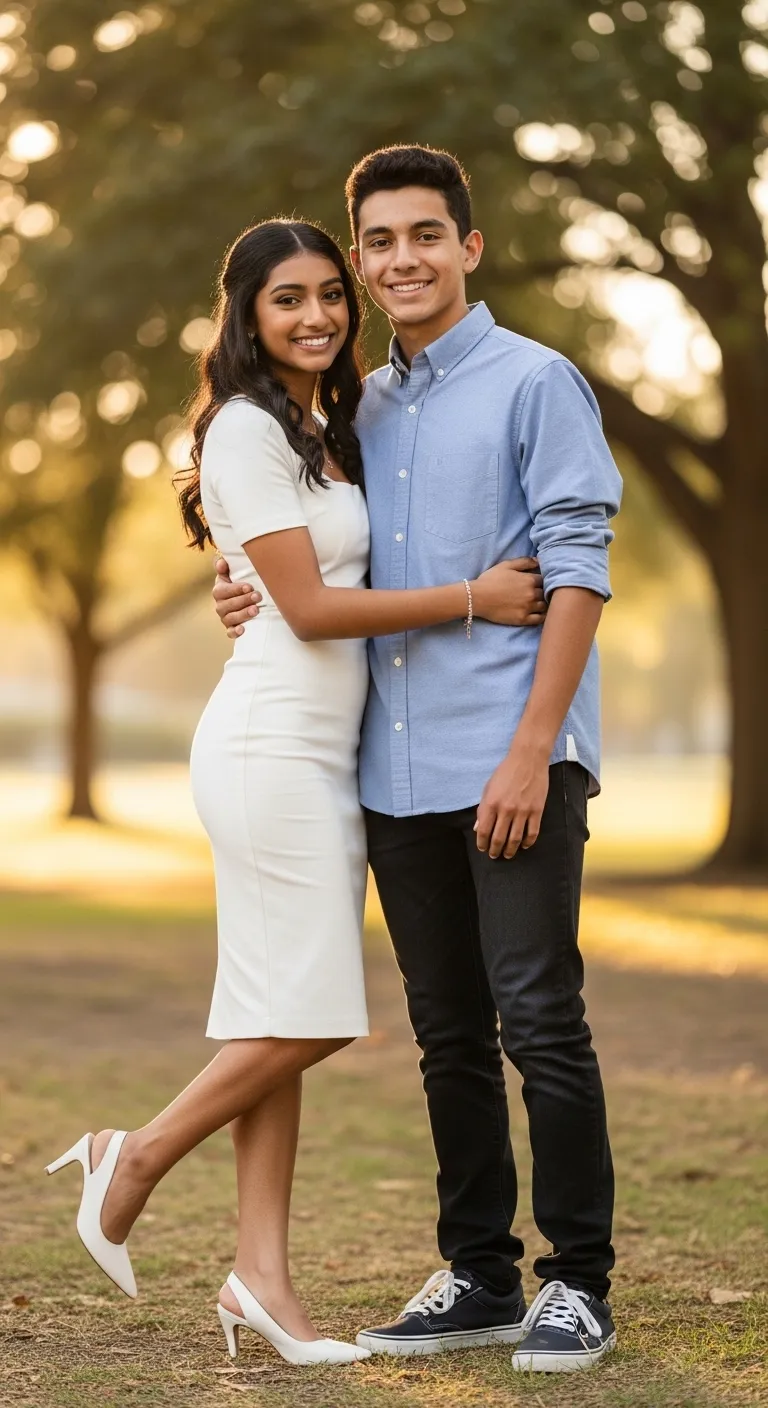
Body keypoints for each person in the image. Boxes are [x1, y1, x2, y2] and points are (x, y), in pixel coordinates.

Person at [44, 217, 545, 1368]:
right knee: (314, 1014)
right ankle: (135, 1154)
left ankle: (260, 1282)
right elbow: (312, 610)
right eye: (288, 300)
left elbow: (297, 581)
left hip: (326, 750)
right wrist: (474, 595)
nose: (317, 315)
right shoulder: (241, 432)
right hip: (271, 746)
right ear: (246, 315)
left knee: (273, 1010)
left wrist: (255, 591)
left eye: (332, 294)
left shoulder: (325, 425)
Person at [213, 146, 623, 1373]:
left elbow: (580, 571)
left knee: (540, 1018)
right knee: (447, 1032)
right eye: (377, 243)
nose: (401, 261)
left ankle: (579, 1282)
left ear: (469, 248)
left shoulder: (536, 381)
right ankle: (481, 1272)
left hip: (512, 758)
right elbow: (314, 570)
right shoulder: (353, 407)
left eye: (424, 236)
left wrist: (534, 752)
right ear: (360, 258)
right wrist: (240, 597)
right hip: (388, 772)